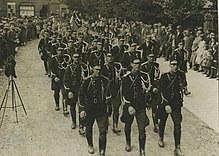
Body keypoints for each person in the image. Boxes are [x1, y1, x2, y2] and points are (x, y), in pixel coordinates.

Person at [79, 62, 111, 156]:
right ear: (92, 69)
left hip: (101, 109)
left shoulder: (104, 80)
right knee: (89, 128)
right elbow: (81, 95)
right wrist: (82, 109)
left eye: (100, 70)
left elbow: (109, 90)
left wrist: (108, 97)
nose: (98, 71)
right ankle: (90, 145)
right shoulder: (87, 81)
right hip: (90, 109)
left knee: (103, 131)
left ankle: (102, 151)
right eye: (96, 69)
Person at [121, 58, 151, 156]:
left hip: (140, 106)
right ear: (131, 64)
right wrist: (129, 106)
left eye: (139, 63)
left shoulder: (144, 76)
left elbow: (148, 88)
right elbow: (123, 93)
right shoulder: (126, 78)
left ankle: (142, 150)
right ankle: (128, 142)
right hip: (130, 105)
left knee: (142, 129)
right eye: (135, 63)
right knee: (128, 125)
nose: (137, 65)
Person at [157, 58, 185, 156]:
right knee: (163, 121)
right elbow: (161, 92)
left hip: (176, 104)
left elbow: (183, 87)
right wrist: (165, 104)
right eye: (173, 64)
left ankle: (177, 147)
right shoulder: (164, 76)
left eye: (176, 64)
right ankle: (160, 137)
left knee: (177, 125)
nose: (175, 66)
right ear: (169, 65)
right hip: (166, 103)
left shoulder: (180, 76)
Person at [63, 53, 88, 130]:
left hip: (81, 90)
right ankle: (74, 122)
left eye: (78, 57)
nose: (76, 59)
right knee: (72, 107)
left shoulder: (83, 67)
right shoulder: (69, 68)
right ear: (72, 58)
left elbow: (86, 78)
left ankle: (81, 125)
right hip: (73, 90)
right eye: (75, 57)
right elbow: (65, 81)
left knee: (81, 108)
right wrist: (69, 91)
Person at [102, 53, 124, 133]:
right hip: (107, 92)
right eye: (108, 57)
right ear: (106, 58)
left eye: (111, 56)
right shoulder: (103, 68)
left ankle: (115, 125)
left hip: (116, 91)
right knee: (106, 109)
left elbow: (122, 76)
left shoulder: (117, 66)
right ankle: (105, 122)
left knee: (116, 108)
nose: (110, 58)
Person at [141, 53, 161, 133]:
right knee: (142, 107)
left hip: (154, 89)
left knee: (154, 107)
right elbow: (142, 79)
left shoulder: (156, 65)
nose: (152, 58)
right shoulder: (143, 66)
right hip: (145, 89)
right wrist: (148, 88)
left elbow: (157, 77)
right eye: (150, 57)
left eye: (153, 57)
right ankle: (144, 120)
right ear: (147, 57)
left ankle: (156, 124)